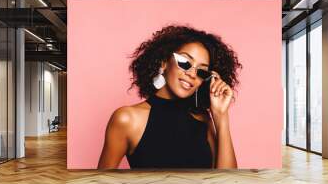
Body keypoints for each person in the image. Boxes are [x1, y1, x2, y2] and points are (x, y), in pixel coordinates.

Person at [98, 24, 242, 169]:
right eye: (185, 63)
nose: (192, 74)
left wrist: (221, 115)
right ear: (164, 62)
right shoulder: (127, 119)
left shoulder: (203, 120)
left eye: (201, 71)